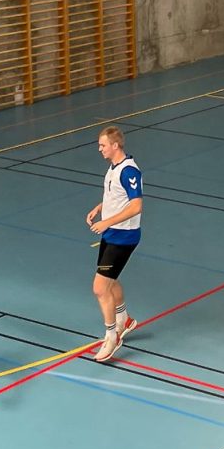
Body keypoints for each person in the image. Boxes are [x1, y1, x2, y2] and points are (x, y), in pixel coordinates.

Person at [85, 126, 142, 363]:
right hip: (111, 233)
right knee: (111, 279)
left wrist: (107, 220)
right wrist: (100, 208)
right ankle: (125, 320)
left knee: (100, 287)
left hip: (124, 236)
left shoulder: (129, 171)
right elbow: (116, 197)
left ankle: (112, 337)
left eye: (103, 145)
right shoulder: (113, 169)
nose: (99, 149)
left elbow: (136, 205)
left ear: (115, 145)